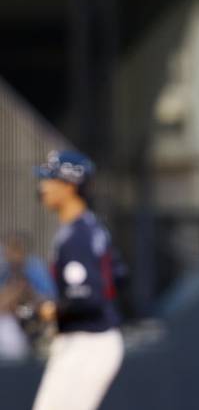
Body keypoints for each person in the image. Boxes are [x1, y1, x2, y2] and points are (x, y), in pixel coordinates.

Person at [32, 150, 124, 410]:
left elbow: (87, 298)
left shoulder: (76, 235)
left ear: (70, 185)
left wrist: (51, 310)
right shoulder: (90, 226)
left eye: (49, 179)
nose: (43, 187)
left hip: (88, 341)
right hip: (92, 338)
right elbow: (118, 276)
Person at [0, 232, 56, 360]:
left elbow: (50, 299)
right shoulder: (4, 270)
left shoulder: (34, 268)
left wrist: (28, 292)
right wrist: (14, 292)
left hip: (36, 319)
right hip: (10, 322)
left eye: (15, 249)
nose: (11, 254)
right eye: (8, 249)